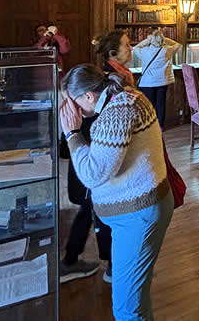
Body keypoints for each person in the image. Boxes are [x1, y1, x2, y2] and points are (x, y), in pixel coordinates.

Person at [60, 65, 173, 321]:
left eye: (73, 101)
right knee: (134, 298)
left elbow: (92, 174)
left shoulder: (116, 113)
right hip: (138, 212)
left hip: (138, 217)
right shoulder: (126, 96)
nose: (71, 110)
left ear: (89, 95)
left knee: (127, 309)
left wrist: (72, 133)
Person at [59, 30, 134, 285]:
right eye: (127, 45)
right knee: (98, 210)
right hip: (93, 158)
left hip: (95, 158)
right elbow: (94, 126)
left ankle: (75, 259)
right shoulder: (104, 82)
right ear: (113, 53)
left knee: (91, 210)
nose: (131, 48)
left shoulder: (114, 78)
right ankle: (110, 264)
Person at [134, 28, 180, 129]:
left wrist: (148, 40)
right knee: (161, 104)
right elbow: (178, 45)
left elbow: (135, 48)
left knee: (150, 105)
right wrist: (164, 39)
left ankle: (150, 127)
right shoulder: (167, 50)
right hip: (162, 81)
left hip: (148, 83)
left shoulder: (145, 51)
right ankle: (160, 126)